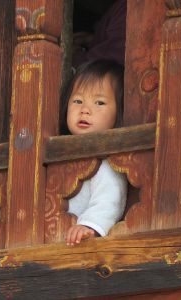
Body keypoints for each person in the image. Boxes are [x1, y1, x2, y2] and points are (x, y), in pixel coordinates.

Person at [60, 60, 127, 246]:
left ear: (119, 112)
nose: (85, 110)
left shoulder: (105, 164)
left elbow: (110, 198)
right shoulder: (59, 156)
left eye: (99, 102)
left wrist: (89, 226)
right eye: (78, 101)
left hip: (80, 243)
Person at [72, 0, 127, 68]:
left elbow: (106, 65)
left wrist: (75, 53)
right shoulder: (123, 7)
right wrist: (91, 39)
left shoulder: (129, 9)